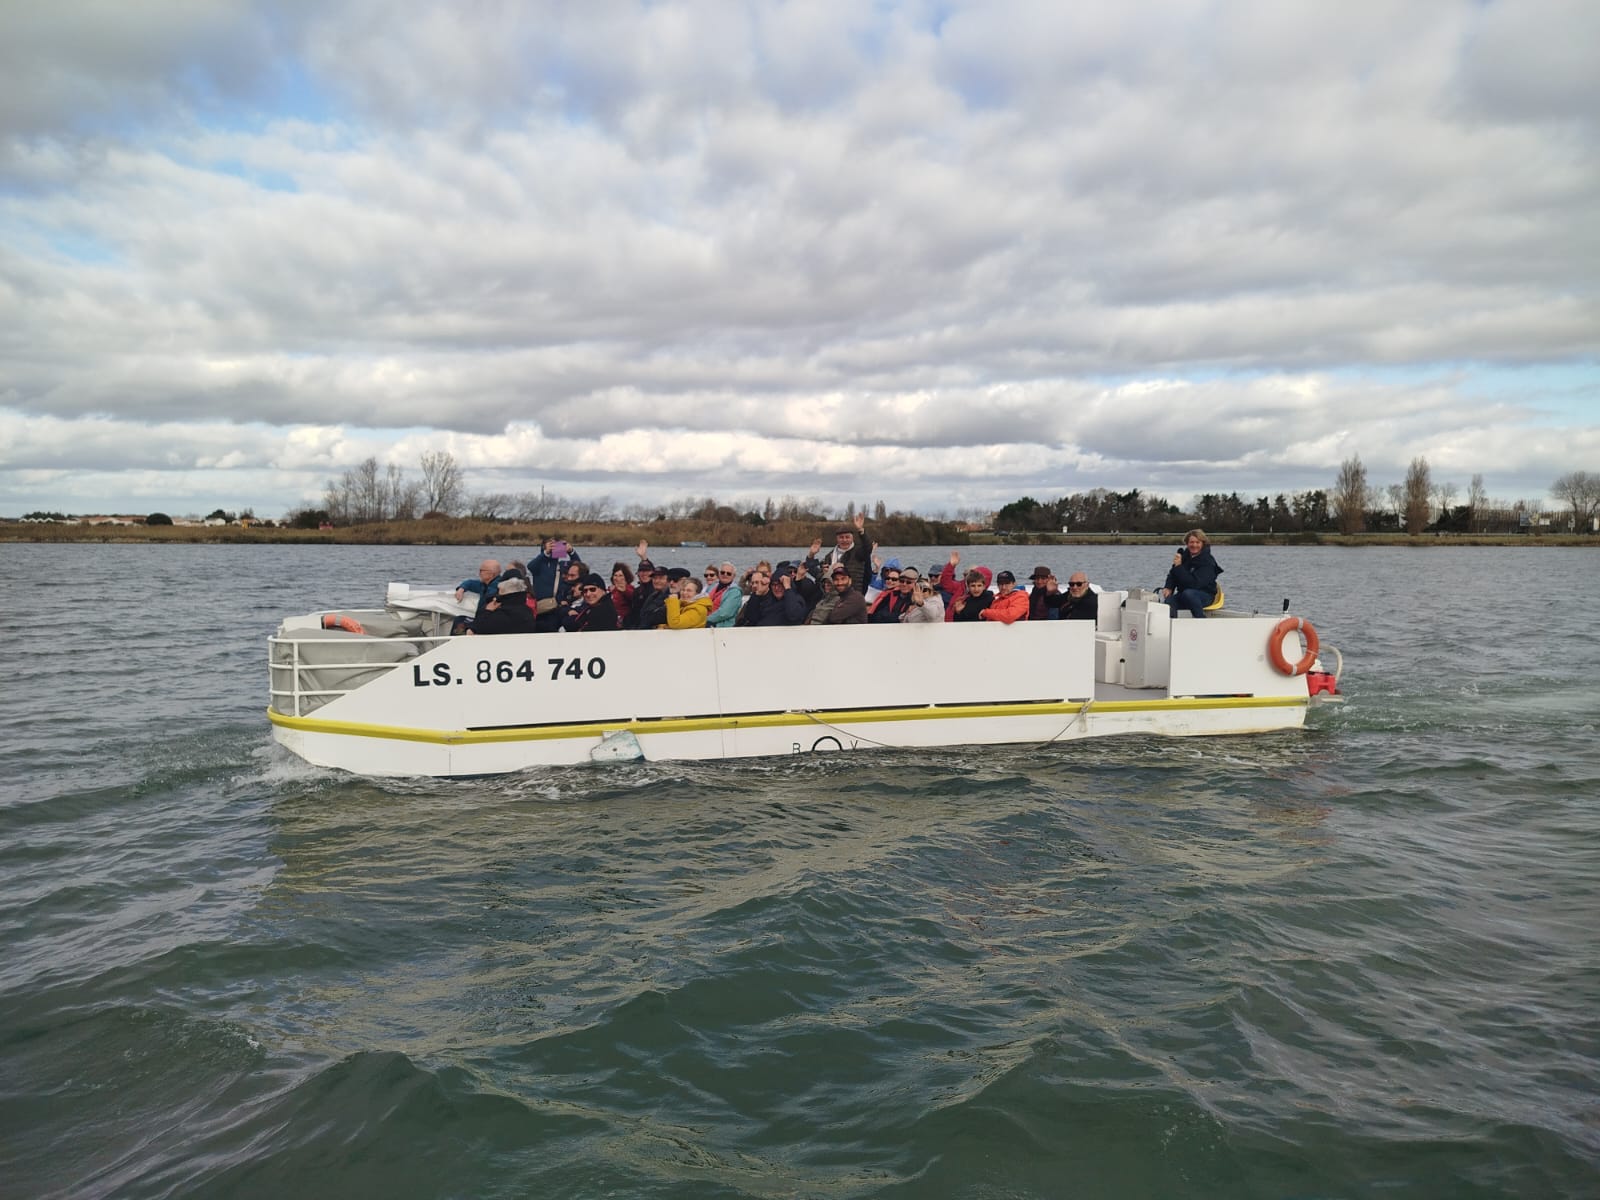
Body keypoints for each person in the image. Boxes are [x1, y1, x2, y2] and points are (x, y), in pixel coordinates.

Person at [807, 512, 875, 593]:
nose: (844, 540)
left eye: (847, 537)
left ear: (852, 538)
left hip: (853, 594)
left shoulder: (858, 552)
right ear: (837, 539)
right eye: (841, 537)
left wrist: (861, 531)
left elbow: (868, 548)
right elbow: (818, 575)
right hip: (833, 595)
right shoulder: (830, 556)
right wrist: (811, 555)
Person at [1163, 529, 1223, 618]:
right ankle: (1173, 626)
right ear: (1187, 543)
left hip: (1205, 595)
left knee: (1189, 594)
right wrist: (1169, 587)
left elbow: (1194, 584)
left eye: (1197, 542)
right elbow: (1173, 574)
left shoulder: (1208, 561)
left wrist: (1179, 567)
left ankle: (1201, 621)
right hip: (1184, 594)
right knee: (1169, 602)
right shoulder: (1184, 557)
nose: (1194, 545)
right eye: (1191, 542)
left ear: (1203, 544)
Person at [466, 573, 536, 635]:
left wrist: (487, 611)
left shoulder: (500, 616)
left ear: (504, 593)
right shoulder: (528, 611)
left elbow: (478, 627)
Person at [629, 563, 673, 630]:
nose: (657, 581)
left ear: (669, 581)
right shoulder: (652, 596)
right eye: (654, 578)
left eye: (661, 578)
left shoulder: (671, 598)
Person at [706, 561, 742, 628]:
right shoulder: (712, 587)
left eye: (728, 573)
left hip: (721, 627)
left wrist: (704, 620)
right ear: (719, 574)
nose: (725, 574)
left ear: (733, 576)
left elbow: (724, 613)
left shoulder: (735, 592)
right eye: (722, 572)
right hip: (706, 621)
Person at [608, 562, 636, 627]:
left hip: (623, 622)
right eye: (615, 575)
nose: (617, 578)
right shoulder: (610, 589)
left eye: (620, 575)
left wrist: (624, 591)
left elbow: (633, 598)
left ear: (626, 577)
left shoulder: (629, 588)